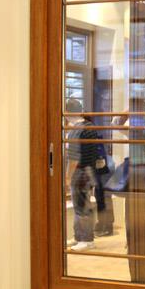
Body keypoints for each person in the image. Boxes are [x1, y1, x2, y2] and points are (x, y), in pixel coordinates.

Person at [65, 99, 103, 251]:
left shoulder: (76, 131)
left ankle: (86, 239)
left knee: (81, 206)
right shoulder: (90, 126)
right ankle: (79, 237)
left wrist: (68, 177)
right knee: (82, 204)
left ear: (67, 113)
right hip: (90, 171)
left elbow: (73, 158)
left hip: (80, 172)